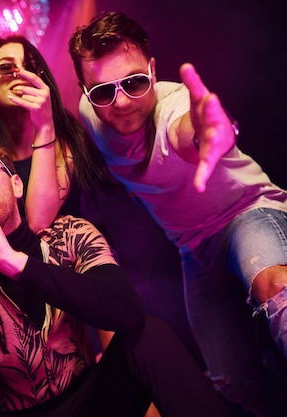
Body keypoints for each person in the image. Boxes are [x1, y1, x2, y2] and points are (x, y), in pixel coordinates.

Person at [0, 128, 230, 417]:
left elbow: (126, 311)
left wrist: (15, 263)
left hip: (91, 401)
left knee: (149, 333)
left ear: (16, 184)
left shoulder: (70, 235)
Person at [68, 11, 287, 417]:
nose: (121, 103)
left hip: (247, 213)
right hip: (193, 249)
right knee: (231, 379)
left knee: (276, 291)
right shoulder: (87, 111)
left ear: (152, 71)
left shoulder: (172, 107)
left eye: (134, 83)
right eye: (102, 91)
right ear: (84, 90)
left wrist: (211, 132)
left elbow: (186, 130)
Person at [0, 35, 196, 364]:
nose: (19, 75)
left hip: (82, 272)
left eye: (29, 67)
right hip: (18, 290)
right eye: (6, 68)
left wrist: (45, 124)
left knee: (129, 363)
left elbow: (38, 219)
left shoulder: (64, 136)